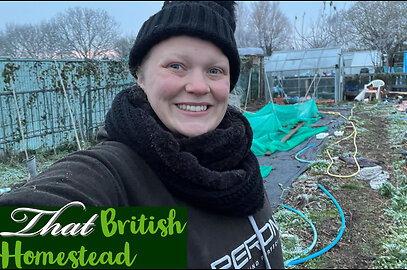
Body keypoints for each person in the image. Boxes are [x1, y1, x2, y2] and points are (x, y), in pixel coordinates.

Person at [0, 1, 284, 268]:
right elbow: (15, 240)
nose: (198, 86)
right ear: (141, 76)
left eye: (214, 70)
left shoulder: (236, 154)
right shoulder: (116, 172)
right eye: (176, 66)